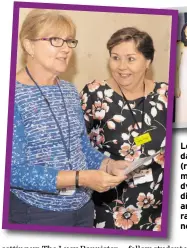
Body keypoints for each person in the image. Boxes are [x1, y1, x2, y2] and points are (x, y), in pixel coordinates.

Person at [9, 9, 130, 227]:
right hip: (37, 214)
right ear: (28, 45)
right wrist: (80, 178)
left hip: (83, 208)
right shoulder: (11, 95)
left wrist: (108, 164)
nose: (66, 49)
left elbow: (81, 147)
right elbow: (12, 171)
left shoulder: (69, 90)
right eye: (56, 40)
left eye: (69, 41)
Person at [80, 27, 167, 230]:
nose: (121, 67)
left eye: (130, 59)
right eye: (115, 57)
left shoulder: (165, 95)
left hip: (159, 210)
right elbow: (75, 147)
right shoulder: (95, 94)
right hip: (109, 207)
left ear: (148, 62)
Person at [175, 23, 187, 123]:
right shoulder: (180, 45)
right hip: (183, 82)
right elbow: (176, 68)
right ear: (184, 32)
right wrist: (176, 87)